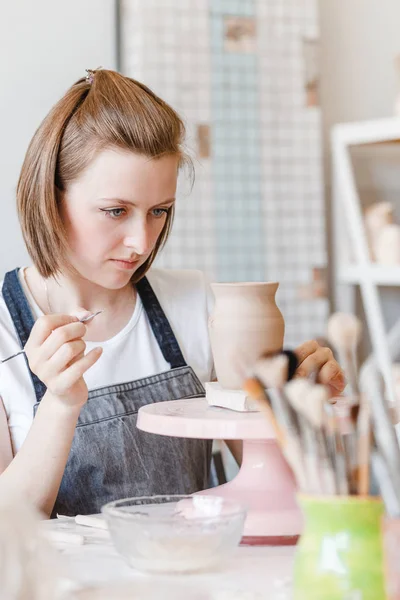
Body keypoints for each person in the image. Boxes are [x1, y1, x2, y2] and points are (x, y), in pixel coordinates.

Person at [0, 69, 345, 518]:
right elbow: (7, 529)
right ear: (51, 196)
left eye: (159, 211)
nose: (141, 242)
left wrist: (302, 413)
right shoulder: (6, 330)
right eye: (115, 211)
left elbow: (281, 492)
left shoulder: (193, 303)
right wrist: (61, 405)